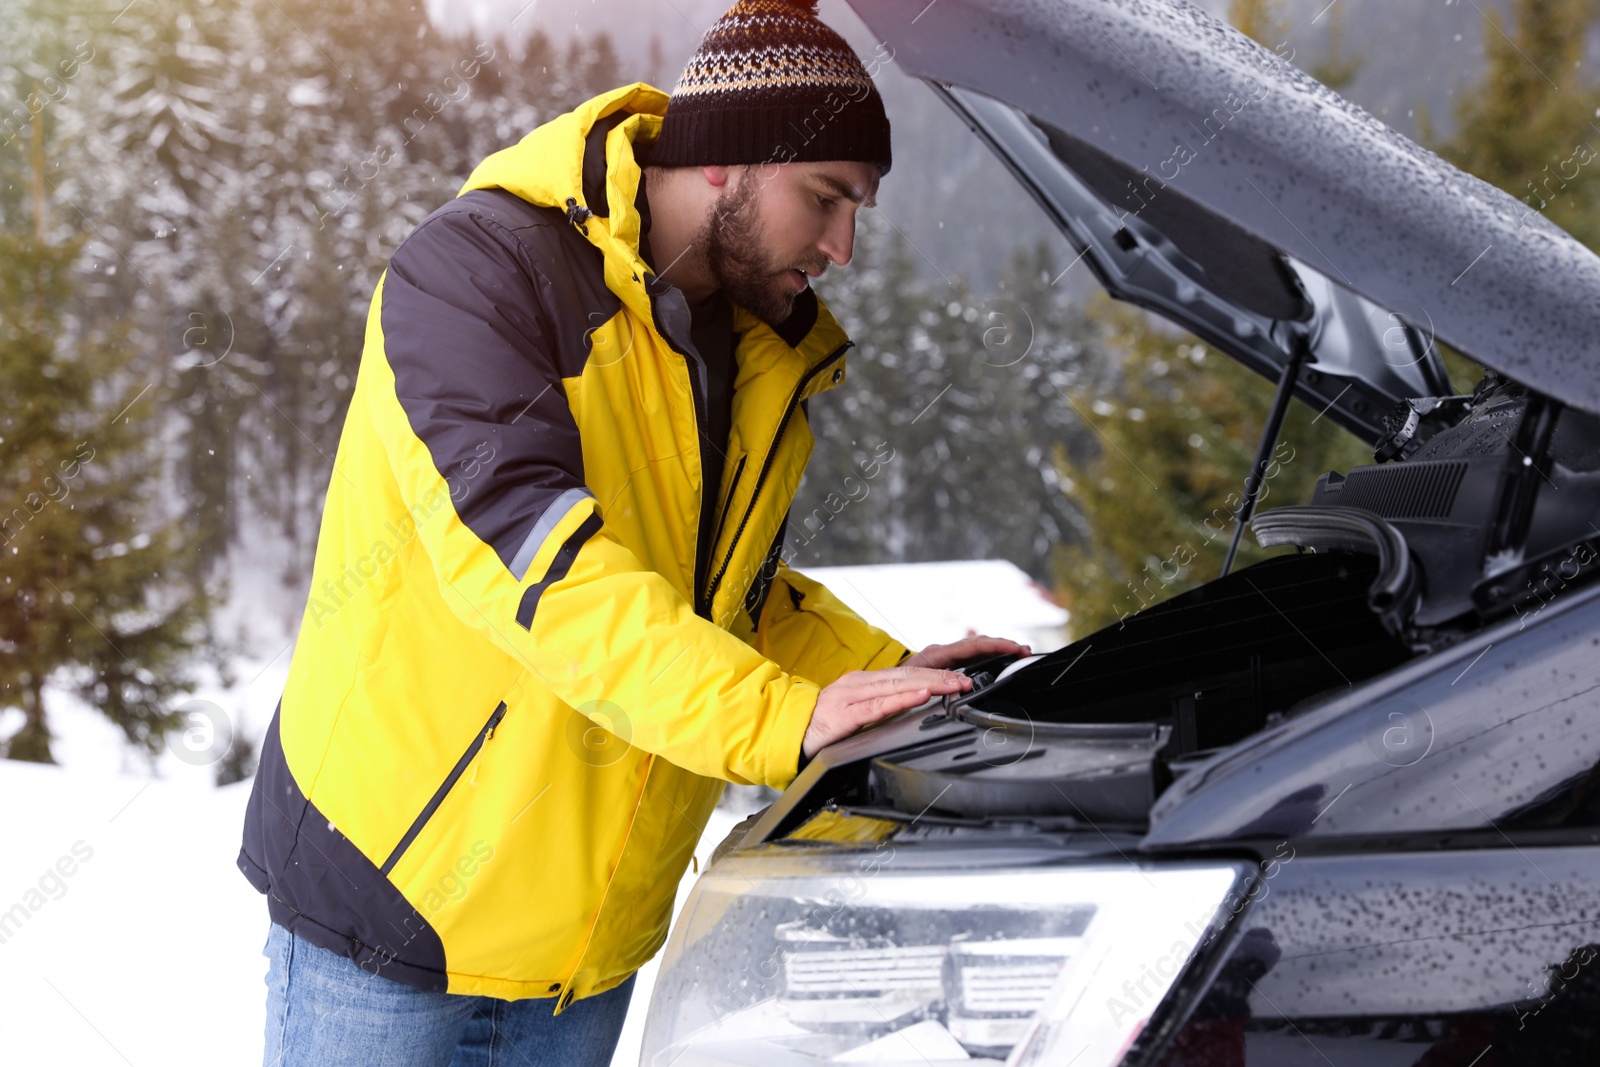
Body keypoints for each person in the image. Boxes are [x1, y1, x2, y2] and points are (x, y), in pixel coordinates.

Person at [237, 0, 1029, 1063]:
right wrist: (782, 719)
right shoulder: (476, 276)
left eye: (862, 209)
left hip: (593, 942)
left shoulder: (752, 347)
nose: (843, 245)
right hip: (392, 914)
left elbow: (725, 594)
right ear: (725, 161)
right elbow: (540, 572)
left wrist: (891, 682)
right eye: (826, 196)